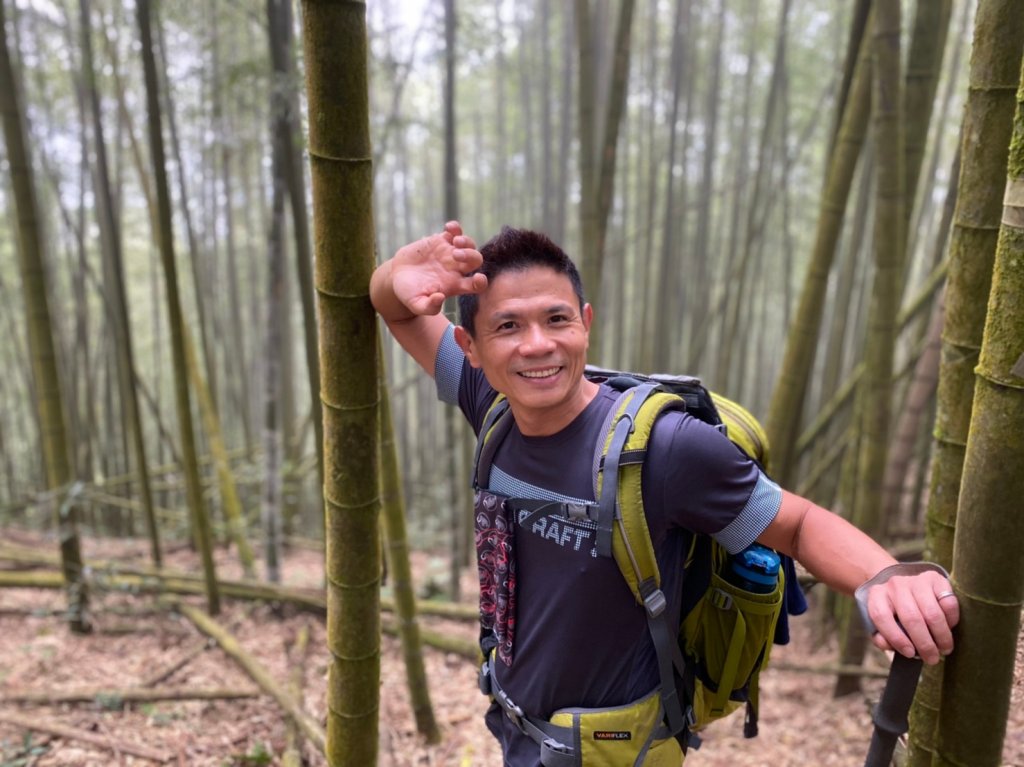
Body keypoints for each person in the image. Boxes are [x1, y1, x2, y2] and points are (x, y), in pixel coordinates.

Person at [370, 221, 959, 765]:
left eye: (556, 319)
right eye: (507, 327)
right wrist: (395, 274)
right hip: (517, 727)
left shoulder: (665, 449)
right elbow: (395, 311)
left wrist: (884, 577)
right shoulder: (491, 404)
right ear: (470, 348)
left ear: (586, 323)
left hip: (617, 751)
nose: (537, 345)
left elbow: (798, 523)